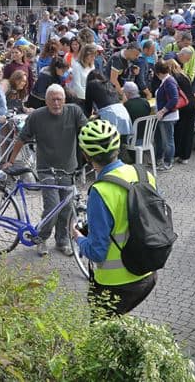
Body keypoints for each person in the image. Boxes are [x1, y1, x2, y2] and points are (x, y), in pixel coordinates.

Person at [74, 119, 158, 315]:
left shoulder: (101, 191)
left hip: (116, 284)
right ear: (117, 148)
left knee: (101, 332)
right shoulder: (143, 174)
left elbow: (97, 253)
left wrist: (77, 237)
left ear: (86, 155)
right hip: (147, 273)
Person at [5, 84, 88, 256]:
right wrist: (11, 160)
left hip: (68, 169)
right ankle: (41, 238)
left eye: (59, 99)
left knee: (66, 208)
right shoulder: (37, 116)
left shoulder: (74, 111)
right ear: (46, 100)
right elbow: (21, 138)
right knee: (52, 206)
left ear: (64, 100)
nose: (56, 103)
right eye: (52, 99)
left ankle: (62, 241)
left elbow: (87, 132)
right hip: (46, 169)